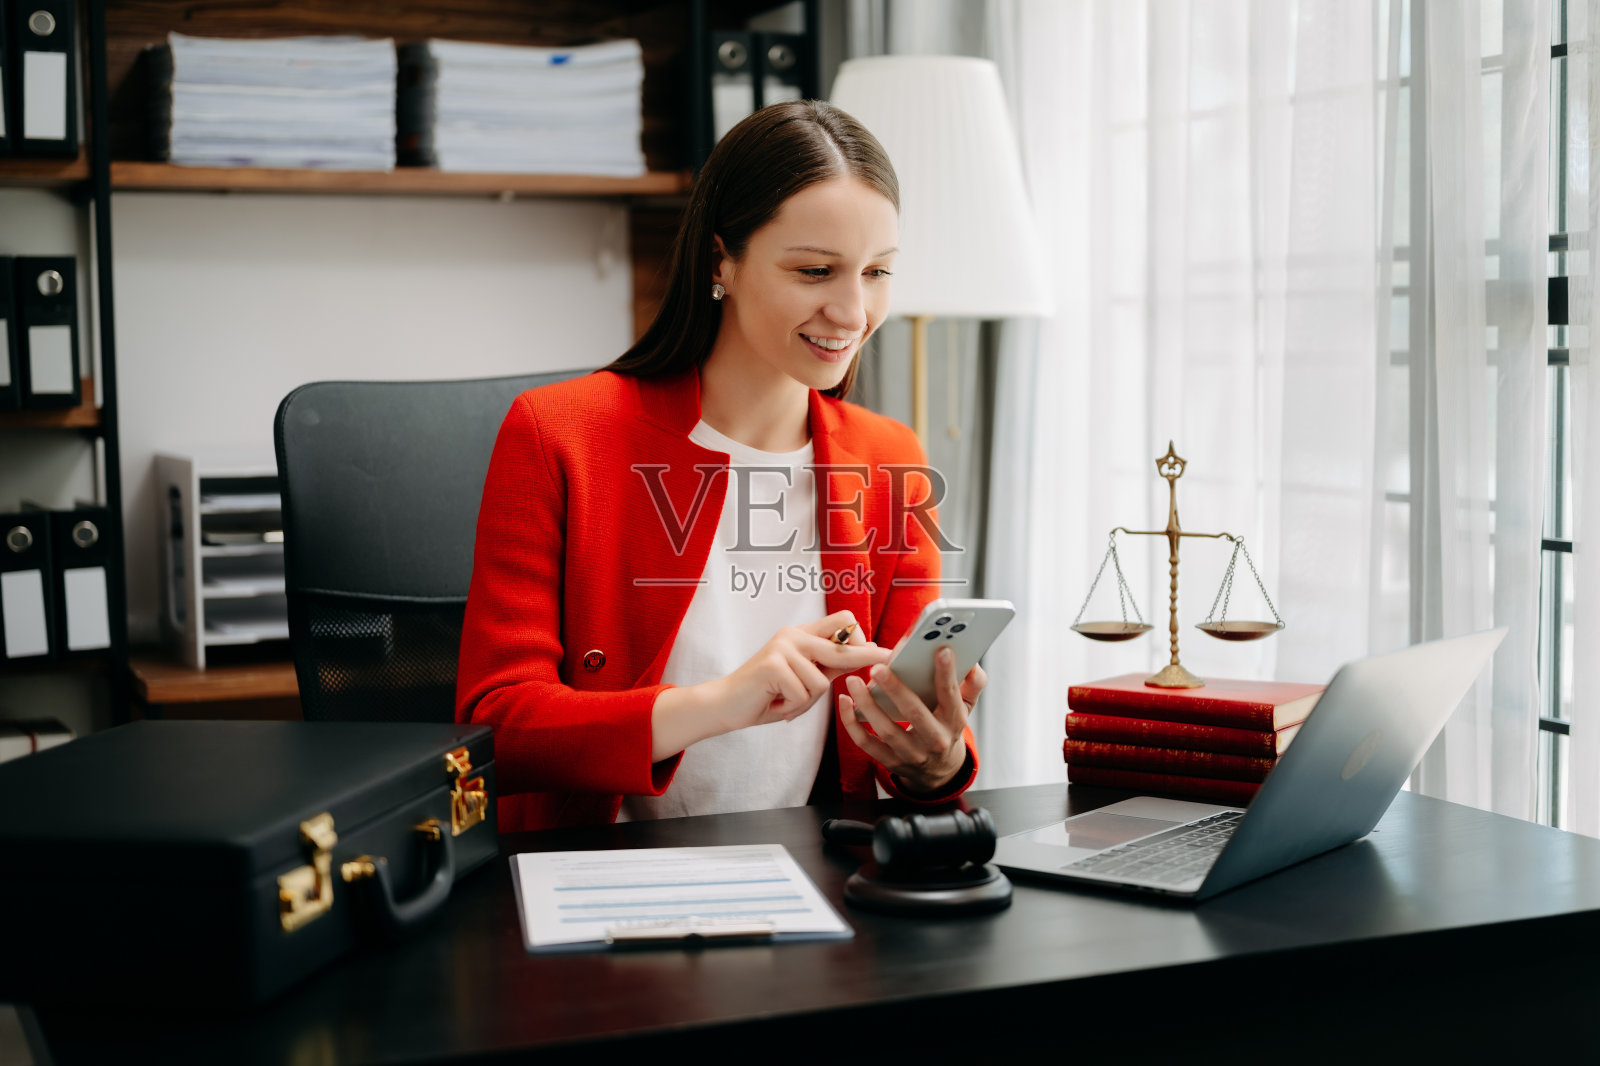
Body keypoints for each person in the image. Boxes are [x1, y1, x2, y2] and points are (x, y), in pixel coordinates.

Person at [456, 101, 987, 833]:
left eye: (876, 272)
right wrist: (723, 701)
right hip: (601, 873)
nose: (853, 311)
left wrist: (936, 762)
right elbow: (498, 730)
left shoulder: (889, 459)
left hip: (817, 873)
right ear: (720, 262)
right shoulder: (559, 435)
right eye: (815, 271)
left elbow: (905, 756)